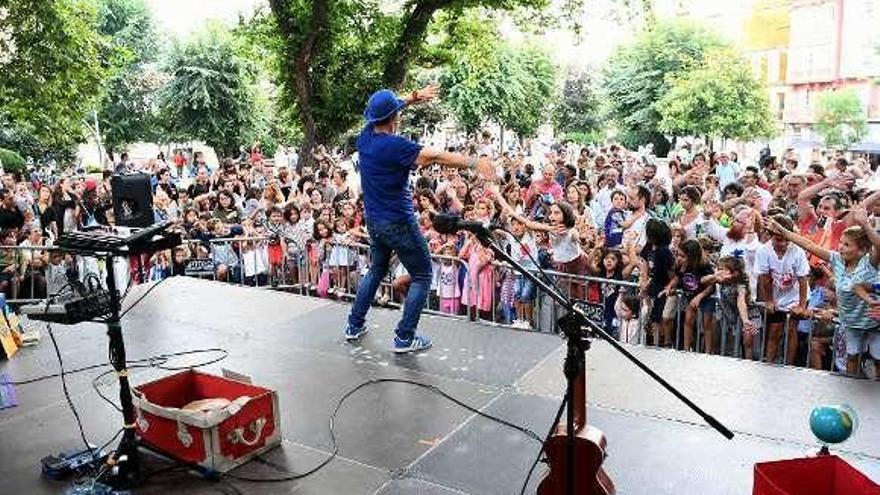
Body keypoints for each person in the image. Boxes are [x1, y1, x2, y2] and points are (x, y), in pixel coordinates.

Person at [343, 86, 493, 353]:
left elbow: (385, 112)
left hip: (375, 221)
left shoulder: (364, 139)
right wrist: (473, 162)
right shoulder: (396, 146)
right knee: (423, 274)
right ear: (394, 118)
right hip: (399, 221)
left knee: (376, 270)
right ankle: (405, 337)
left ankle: (354, 325)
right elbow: (433, 156)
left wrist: (410, 99)